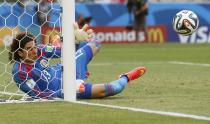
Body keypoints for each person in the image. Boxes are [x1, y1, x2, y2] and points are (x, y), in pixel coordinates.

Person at [9, 23, 146, 99]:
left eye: (34, 47)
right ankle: (126, 77)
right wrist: (66, 92)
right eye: (29, 49)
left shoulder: (40, 50)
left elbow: (65, 52)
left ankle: (78, 78)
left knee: (95, 43)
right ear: (20, 52)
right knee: (113, 89)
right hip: (64, 89)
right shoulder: (20, 71)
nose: (34, 51)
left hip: (66, 69)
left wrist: (76, 40)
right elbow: (38, 95)